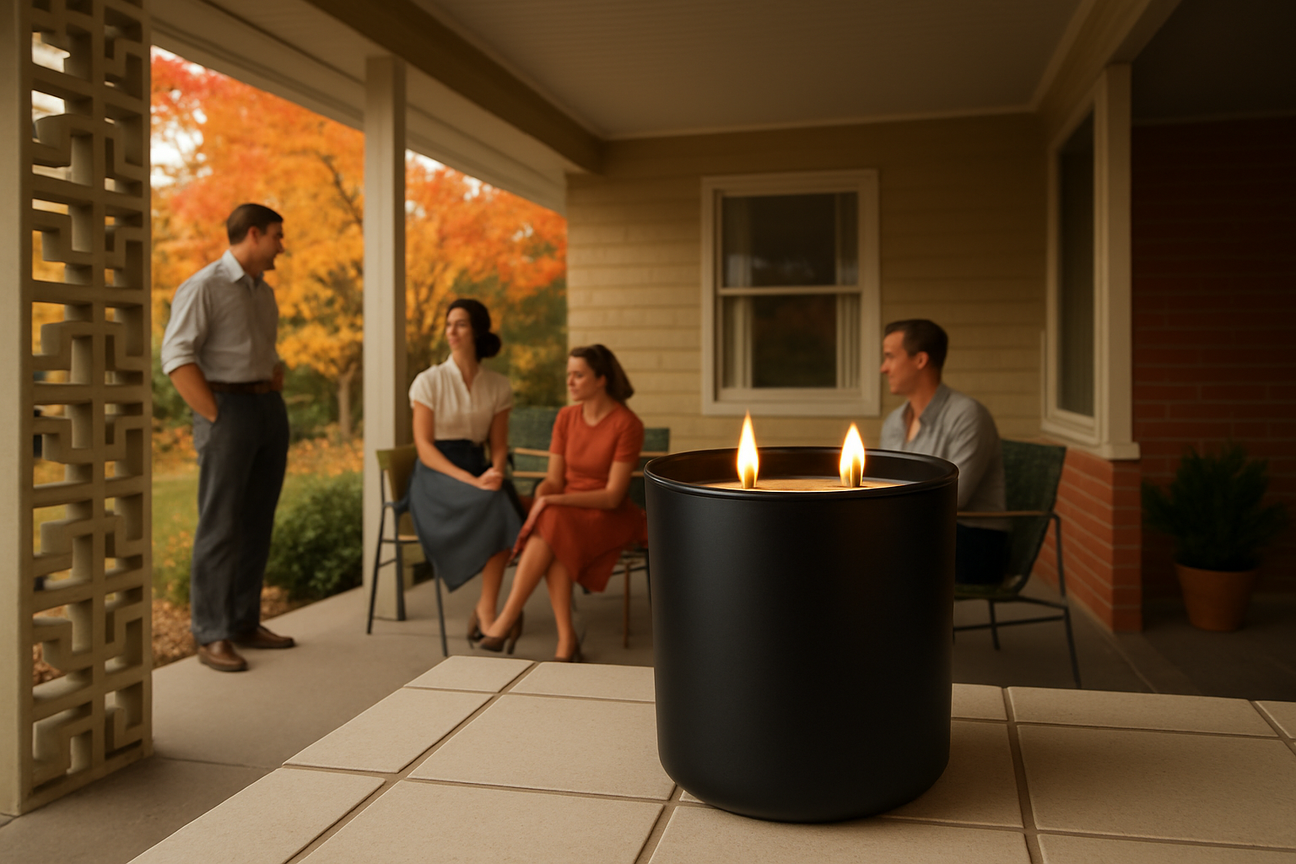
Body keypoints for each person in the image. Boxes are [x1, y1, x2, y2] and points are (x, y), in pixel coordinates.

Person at [160, 203, 294, 672]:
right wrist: (216, 415)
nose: (283, 245)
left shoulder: (265, 293)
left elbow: (261, 350)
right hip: (227, 411)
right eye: (277, 236)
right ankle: (211, 633)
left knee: (258, 520)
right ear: (252, 234)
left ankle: (242, 621)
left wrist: (271, 378)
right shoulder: (203, 287)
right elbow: (177, 357)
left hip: (267, 411)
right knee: (220, 523)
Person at [477, 344, 646, 662]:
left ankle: (506, 620)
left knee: (551, 520)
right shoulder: (566, 417)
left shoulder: (627, 424)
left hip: (607, 514)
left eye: (578, 375)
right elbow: (554, 479)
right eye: (568, 374)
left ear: (601, 380)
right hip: (564, 512)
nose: (570, 382)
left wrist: (552, 500)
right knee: (546, 523)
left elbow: (612, 496)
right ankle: (566, 640)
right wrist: (545, 493)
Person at [405, 299, 522, 644]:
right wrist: (473, 481)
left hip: (480, 465)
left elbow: (498, 445)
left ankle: (486, 607)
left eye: (461, 324)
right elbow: (424, 447)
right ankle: (488, 614)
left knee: (503, 501)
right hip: (436, 474)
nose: (451, 332)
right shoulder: (428, 381)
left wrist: (496, 472)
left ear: (477, 331)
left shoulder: (498, 385)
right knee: (495, 504)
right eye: (448, 324)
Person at [879, 319, 1009, 584]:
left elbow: (953, 497)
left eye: (890, 357)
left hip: (974, 542)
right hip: (916, 533)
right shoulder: (893, 422)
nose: (883, 368)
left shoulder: (967, 416)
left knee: (871, 550)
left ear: (920, 360)